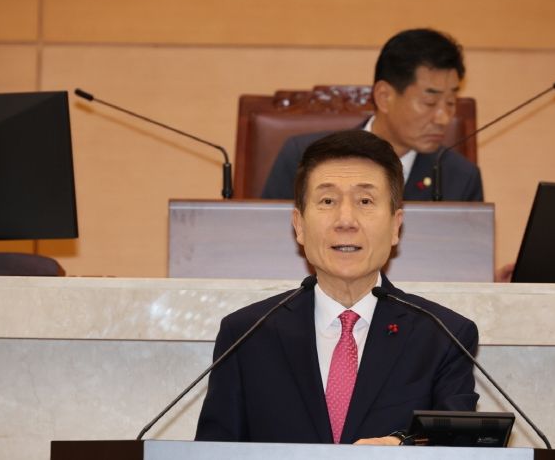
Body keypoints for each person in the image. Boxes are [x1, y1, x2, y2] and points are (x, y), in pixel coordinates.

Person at [196, 131, 479, 445]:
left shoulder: (443, 336)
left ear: (395, 226)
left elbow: (460, 448)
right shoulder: (246, 335)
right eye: (327, 201)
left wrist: (404, 447)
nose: (346, 220)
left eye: (365, 201)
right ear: (299, 226)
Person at [261, 28, 482, 202]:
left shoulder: (461, 178)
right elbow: (266, 238)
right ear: (384, 97)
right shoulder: (304, 158)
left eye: (451, 103)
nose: (443, 118)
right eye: (429, 102)